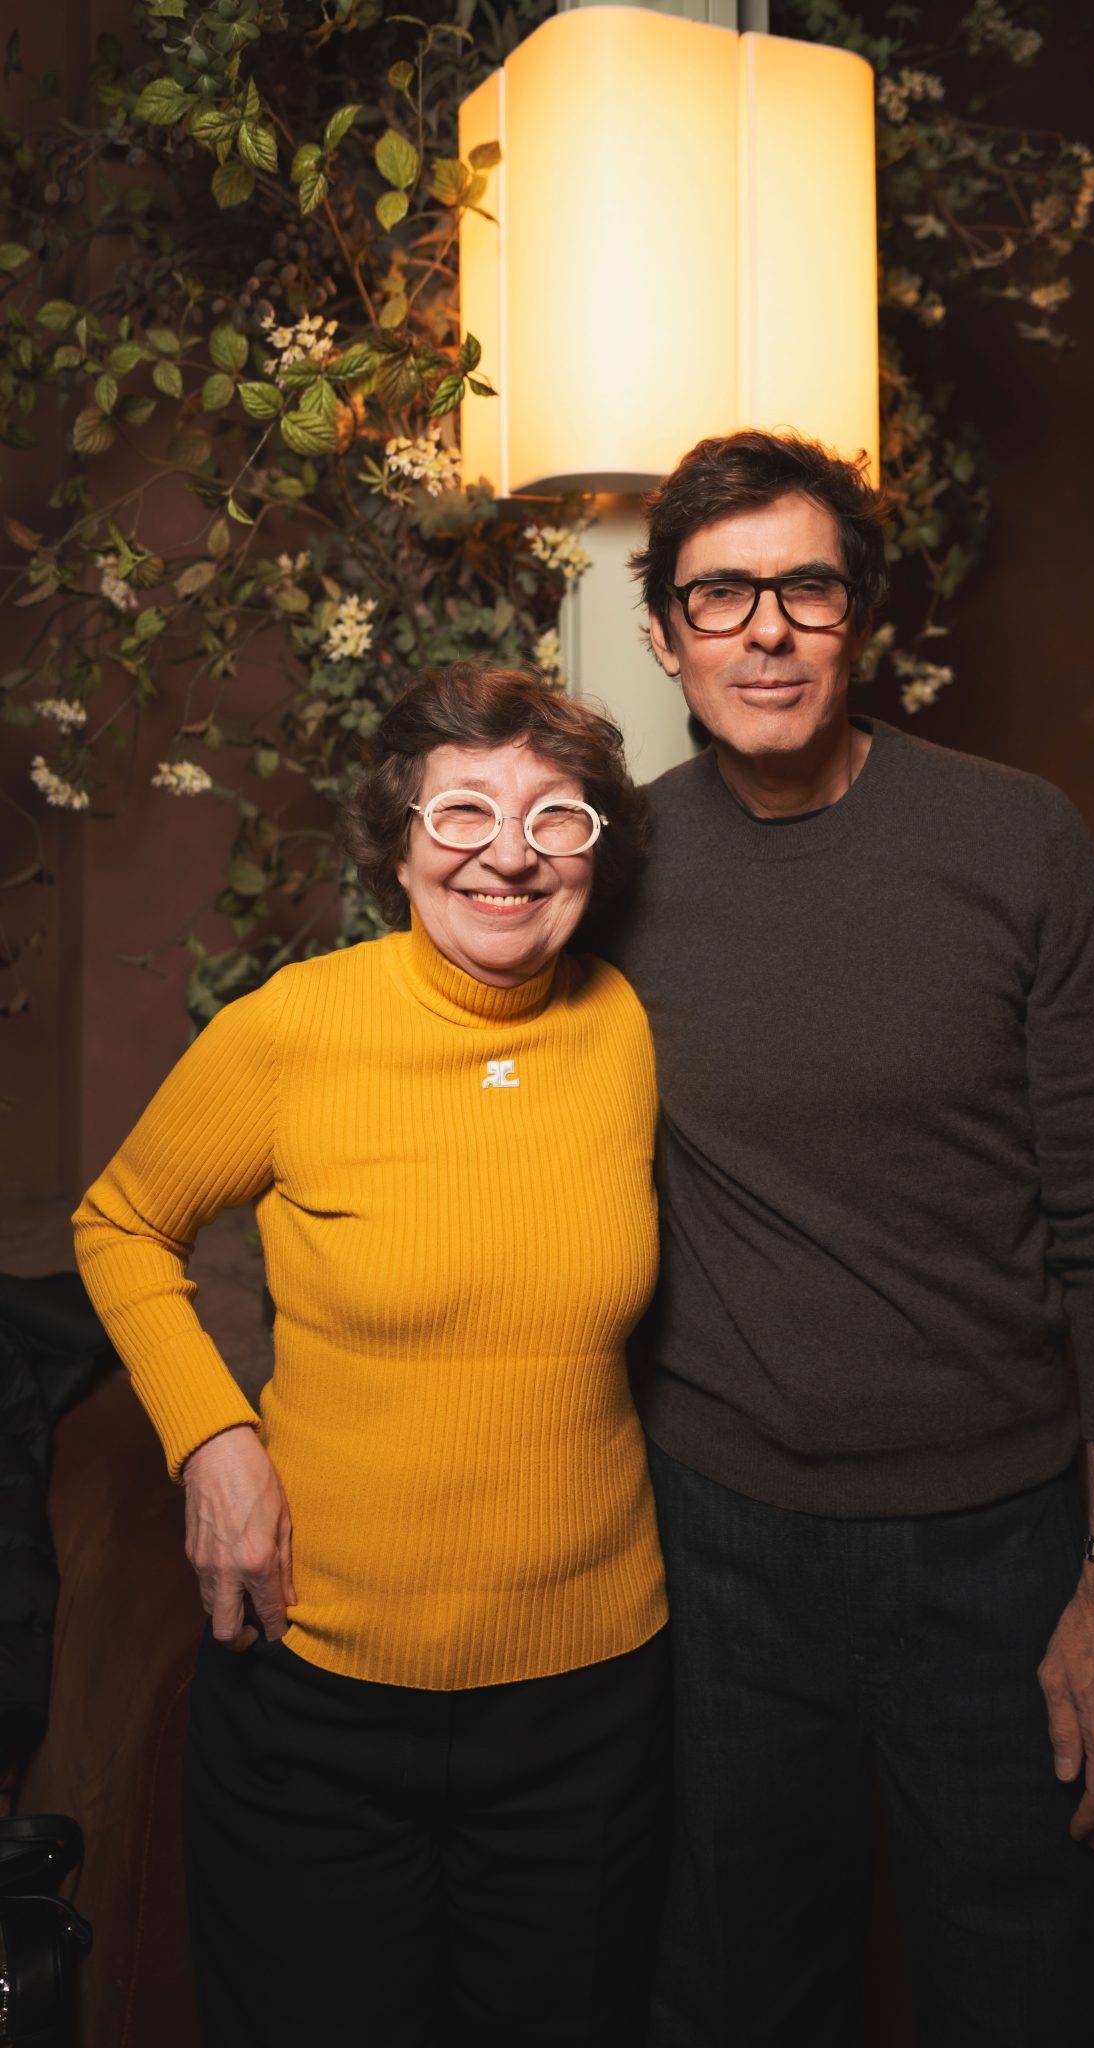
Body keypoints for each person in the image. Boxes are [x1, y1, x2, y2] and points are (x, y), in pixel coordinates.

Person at [597, 428, 1094, 2047]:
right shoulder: (610, 868)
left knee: (1040, 1987)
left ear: (858, 616)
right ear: (662, 634)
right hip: (718, 1552)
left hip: (999, 1550)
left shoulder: (1014, 839)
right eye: (719, 595)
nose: (764, 630)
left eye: (803, 586)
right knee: (731, 1996)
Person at [72, 665, 670, 2048]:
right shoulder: (293, 1030)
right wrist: (212, 1440)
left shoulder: (624, 1030)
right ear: (396, 841)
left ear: (596, 853)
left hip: (587, 1710)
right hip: (316, 1701)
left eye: (555, 819)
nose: (507, 854)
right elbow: (120, 1222)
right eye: (460, 810)